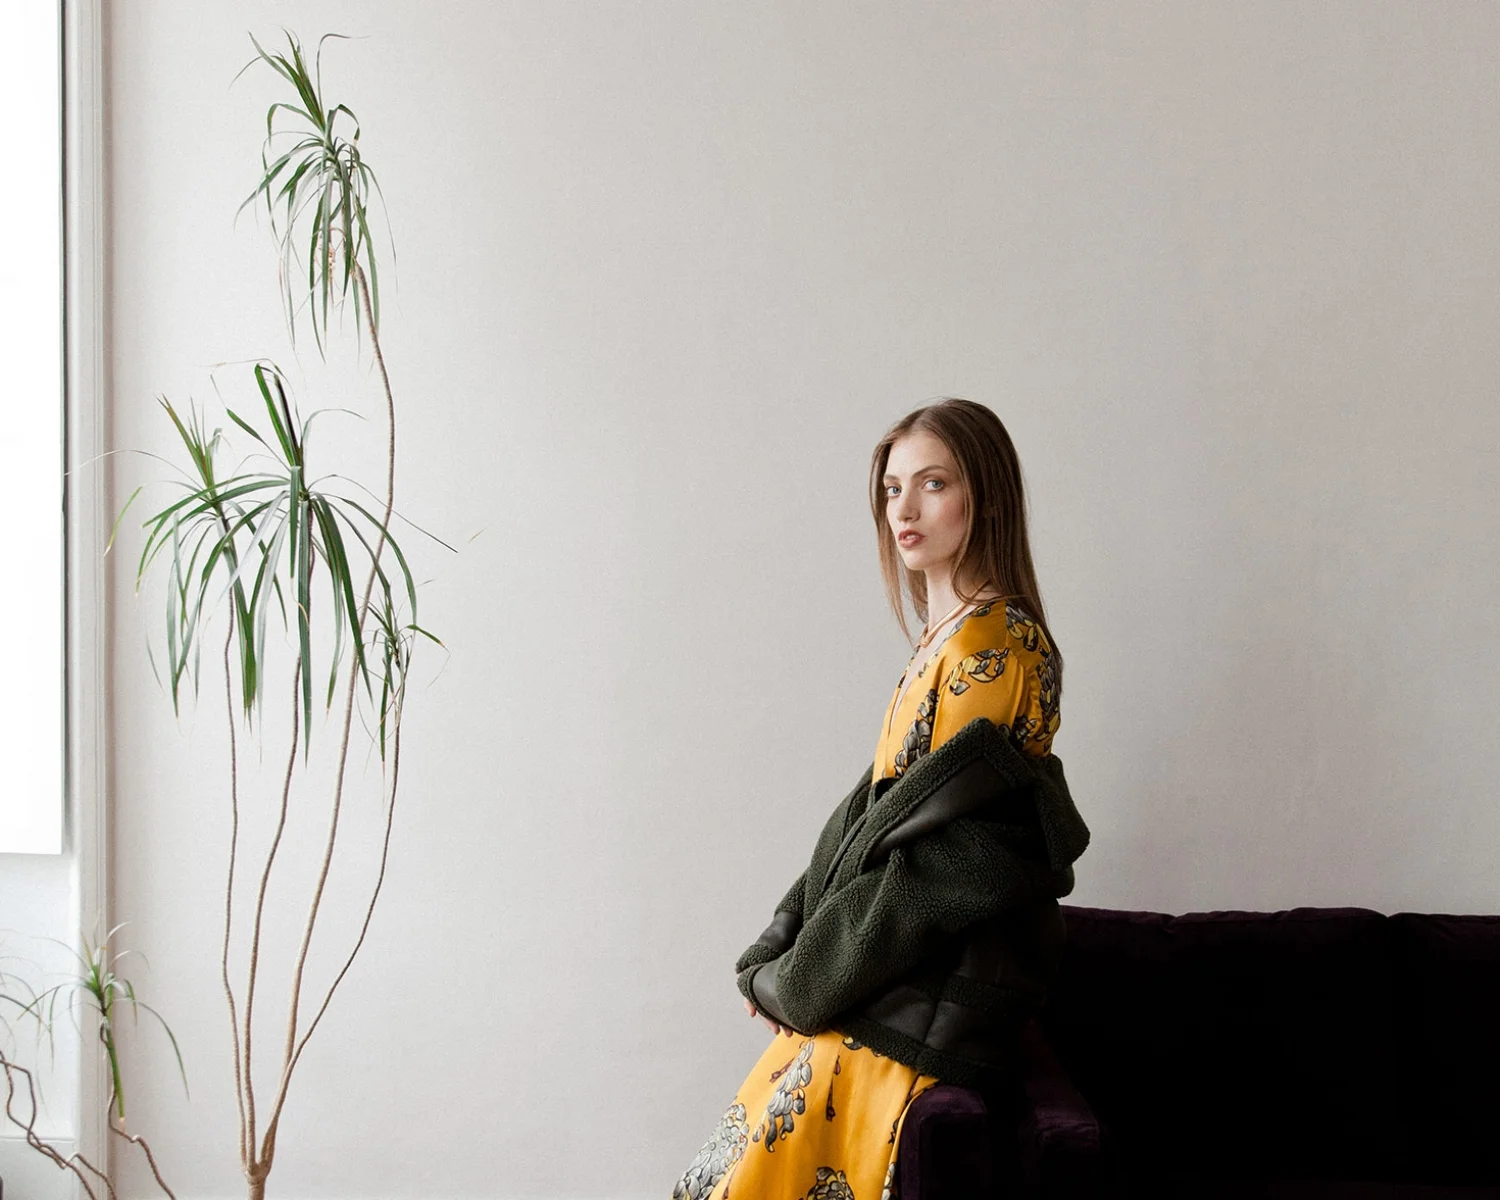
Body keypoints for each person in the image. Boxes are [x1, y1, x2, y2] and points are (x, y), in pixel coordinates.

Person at [672, 398, 1079, 1200]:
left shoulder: (990, 648)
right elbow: (867, 829)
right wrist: (779, 953)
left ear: (985, 497)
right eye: (893, 488)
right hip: (896, 984)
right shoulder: (944, 640)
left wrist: (800, 983)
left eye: (933, 483)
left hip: (926, 997)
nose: (905, 508)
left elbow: (931, 868)